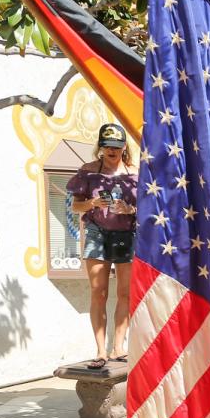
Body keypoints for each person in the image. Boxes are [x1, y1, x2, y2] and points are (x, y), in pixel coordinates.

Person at [67, 123, 137, 370]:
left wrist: (130, 210)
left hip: (126, 233)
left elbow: (147, 209)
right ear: (100, 147)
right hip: (97, 233)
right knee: (99, 292)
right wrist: (93, 203)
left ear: (123, 147)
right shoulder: (88, 172)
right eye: (107, 146)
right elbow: (75, 206)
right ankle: (100, 350)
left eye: (116, 147)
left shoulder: (134, 172)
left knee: (126, 293)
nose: (111, 151)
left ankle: (119, 347)